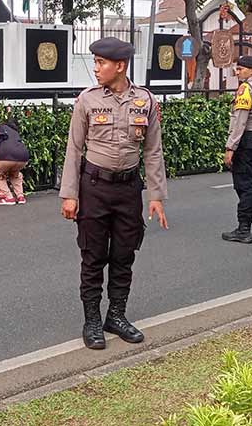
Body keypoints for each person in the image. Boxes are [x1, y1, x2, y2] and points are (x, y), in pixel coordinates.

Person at [59, 36, 169, 350]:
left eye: (101, 63)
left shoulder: (145, 101)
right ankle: (92, 320)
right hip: (93, 187)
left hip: (128, 190)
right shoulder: (87, 100)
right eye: (95, 62)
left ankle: (116, 316)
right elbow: (74, 149)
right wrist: (70, 194)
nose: (96, 68)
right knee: (93, 256)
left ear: (119, 66)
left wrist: (156, 196)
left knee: (124, 254)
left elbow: (153, 151)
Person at [221, 55, 252, 244]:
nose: (238, 71)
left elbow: (240, 120)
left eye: (241, 69)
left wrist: (230, 147)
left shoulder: (246, 89)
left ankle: (243, 229)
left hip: (247, 140)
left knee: (246, 185)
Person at [0, 118, 31, 205]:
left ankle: (9, 198)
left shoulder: (1, 126)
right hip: (23, 157)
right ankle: (20, 197)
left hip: (5, 156)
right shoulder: (15, 131)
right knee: (15, 175)